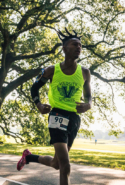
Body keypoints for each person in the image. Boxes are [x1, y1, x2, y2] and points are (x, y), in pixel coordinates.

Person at [17, 28, 92, 185]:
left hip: (74, 118)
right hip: (57, 115)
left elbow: (89, 97)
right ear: (64, 48)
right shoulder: (51, 70)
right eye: (74, 44)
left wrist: (88, 105)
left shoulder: (85, 72)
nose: (79, 47)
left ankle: (28, 157)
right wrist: (38, 104)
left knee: (57, 164)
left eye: (80, 45)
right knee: (66, 165)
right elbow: (34, 88)